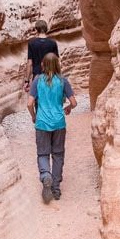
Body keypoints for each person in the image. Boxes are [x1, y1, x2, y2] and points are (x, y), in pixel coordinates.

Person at [27, 52, 77, 203]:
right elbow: (74, 103)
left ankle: (45, 176)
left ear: (43, 65)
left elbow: (29, 103)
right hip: (59, 123)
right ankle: (55, 188)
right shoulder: (63, 81)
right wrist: (68, 108)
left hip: (42, 122)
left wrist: (34, 116)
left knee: (43, 154)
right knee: (58, 154)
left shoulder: (37, 81)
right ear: (57, 65)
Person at [23, 19, 58, 92]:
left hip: (37, 77)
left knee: (38, 100)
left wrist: (27, 81)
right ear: (46, 29)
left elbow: (29, 63)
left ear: (36, 30)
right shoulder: (52, 43)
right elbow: (57, 62)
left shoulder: (32, 43)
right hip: (51, 77)